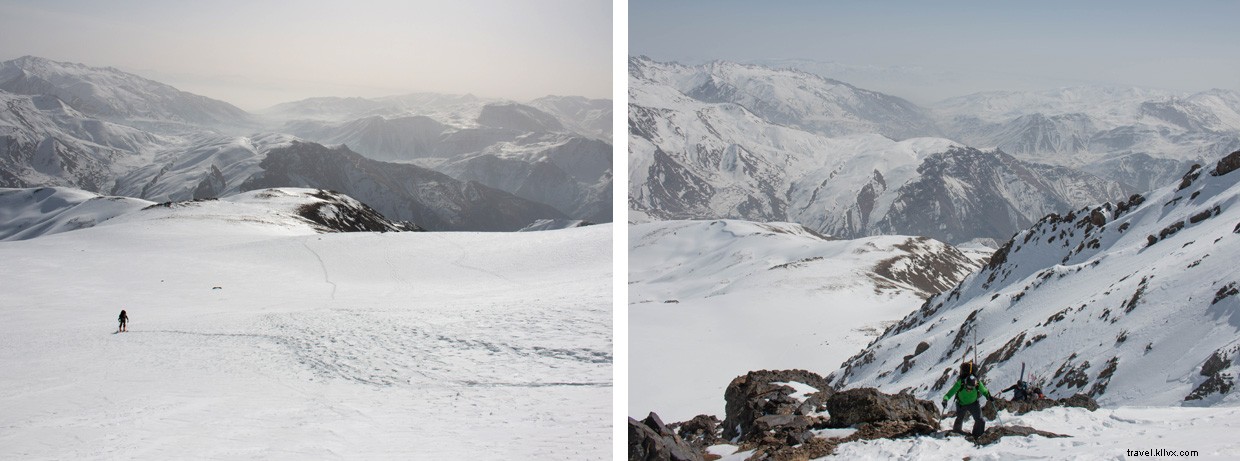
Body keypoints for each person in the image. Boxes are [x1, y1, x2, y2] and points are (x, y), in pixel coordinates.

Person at [942, 361, 991, 437]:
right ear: (965, 383)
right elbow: (949, 394)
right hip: (962, 404)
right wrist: (945, 399)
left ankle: (977, 436)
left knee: (980, 420)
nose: (969, 389)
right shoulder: (960, 383)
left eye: (972, 387)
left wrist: (988, 396)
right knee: (959, 418)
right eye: (968, 387)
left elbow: (984, 391)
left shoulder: (977, 383)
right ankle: (957, 432)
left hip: (973, 404)